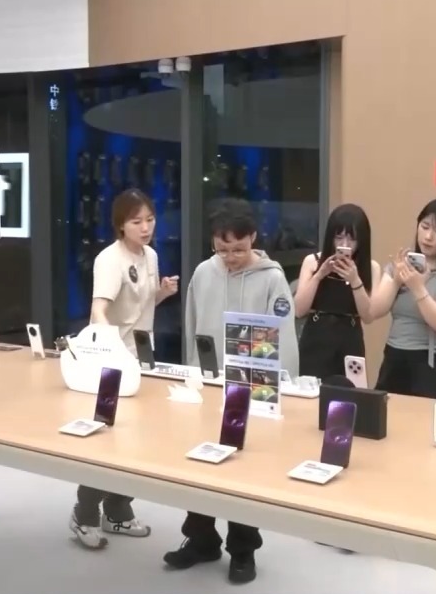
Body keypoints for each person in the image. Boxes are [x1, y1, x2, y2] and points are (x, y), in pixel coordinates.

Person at [170, 198, 299, 584]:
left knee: (243, 472)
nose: (230, 258)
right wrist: (192, 376)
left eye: (238, 249)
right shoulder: (202, 273)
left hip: (253, 389)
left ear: (253, 238)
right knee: (200, 463)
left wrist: (281, 388)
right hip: (209, 384)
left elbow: (284, 336)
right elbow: (192, 327)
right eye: (222, 249)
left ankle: (243, 550)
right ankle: (201, 539)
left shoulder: (272, 278)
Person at [68, 188, 179, 550]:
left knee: (137, 442)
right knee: (108, 443)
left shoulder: (151, 255)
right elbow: (99, 309)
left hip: (141, 356)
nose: (146, 228)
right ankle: (84, 514)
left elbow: (142, 305)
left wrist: (162, 293)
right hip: (113, 362)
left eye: (150, 219)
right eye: (136, 222)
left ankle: (117, 510)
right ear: (120, 225)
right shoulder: (109, 259)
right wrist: (111, 349)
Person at [368, 198, 436, 396]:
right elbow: (375, 311)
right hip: (394, 355)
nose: (428, 236)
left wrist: (418, 288)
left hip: (431, 361)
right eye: (424, 227)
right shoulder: (401, 266)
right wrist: (397, 281)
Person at [294, 203, 380, 379]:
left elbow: (368, 316)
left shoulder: (371, 268)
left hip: (350, 339)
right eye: (339, 238)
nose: (344, 245)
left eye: (352, 240)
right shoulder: (312, 261)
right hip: (316, 338)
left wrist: (355, 280)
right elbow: (299, 309)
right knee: (312, 391)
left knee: (351, 391)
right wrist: (319, 275)